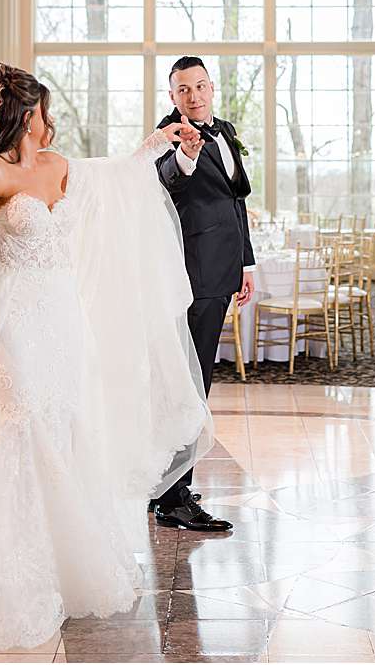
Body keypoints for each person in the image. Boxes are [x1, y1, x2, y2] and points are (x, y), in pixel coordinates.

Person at [0, 61, 213, 651]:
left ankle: (62, 564)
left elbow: (118, 175)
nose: (50, 120)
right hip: (10, 316)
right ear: (28, 115)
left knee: (63, 425)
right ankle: (5, 574)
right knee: (21, 424)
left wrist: (163, 139)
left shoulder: (59, 168)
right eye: (44, 110)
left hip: (62, 316)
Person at [150, 56, 256, 532]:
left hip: (224, 271)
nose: (193, 96)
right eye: (182, 90)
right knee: (189, 384)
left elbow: (237, 201)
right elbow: (166, 180)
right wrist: (186, 156)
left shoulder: (227, 129)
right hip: (191, 275)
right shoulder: (172, 133)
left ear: (211, 88)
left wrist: (246, 263)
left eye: (199, 86)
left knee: (197, 379)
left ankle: (170, 484)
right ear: (172, 97)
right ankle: (173, 498)